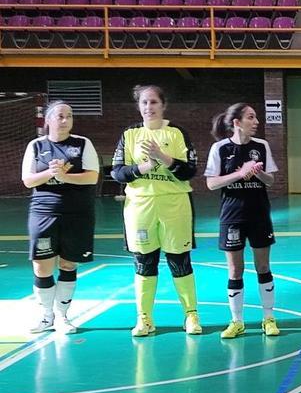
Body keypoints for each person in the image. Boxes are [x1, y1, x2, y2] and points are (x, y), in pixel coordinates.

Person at [111, 85, 202, 337]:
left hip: (175, 204)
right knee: (144, 261)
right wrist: (143, 167)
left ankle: (191, 315)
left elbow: (191, 170)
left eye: (153, 102)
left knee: (179, 260)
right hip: (140, 206)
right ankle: (144, 319)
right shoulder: (129, 134)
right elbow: (117, 172)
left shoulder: (176, 133)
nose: (148, 107)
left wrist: (164, 157)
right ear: (139, 106)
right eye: (144, 103)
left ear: (163, 105)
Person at [22, 101, 98, 334]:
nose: (66, 120)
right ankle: (46, 317)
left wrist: (66, 177)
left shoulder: (82, 144)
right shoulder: (36, 146)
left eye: (70, 116)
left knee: (68, 263)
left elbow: (92, 177)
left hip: (77, 213)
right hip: (43, 212)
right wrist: (51, 173)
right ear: (48, 120)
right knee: (42, 266)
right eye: (60, 116)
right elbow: (28, 180)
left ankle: (63, 317)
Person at [205, 103, 280, 338]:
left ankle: (268, 318)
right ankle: (237, 321)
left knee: (263, 267)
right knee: (235, 270)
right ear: (237, 122)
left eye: (256, 117)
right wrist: (240, 173)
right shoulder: (220, 148)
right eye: (251, 117)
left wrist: (256, 172)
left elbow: (270, 181)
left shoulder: (262, 146)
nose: (256, 121)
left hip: (259, 213)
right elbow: (211, 183)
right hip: (232, 216)